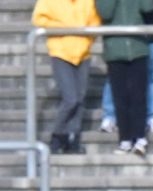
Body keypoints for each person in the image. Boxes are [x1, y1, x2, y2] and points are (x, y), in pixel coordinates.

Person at [34, 0, 98, 155]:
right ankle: (58, 136)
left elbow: (95, 21)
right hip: (60, 53)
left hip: (83, 53)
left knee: (80, 99)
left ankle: (73, 138)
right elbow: (39, 19)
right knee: (71, 99)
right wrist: (63, 28)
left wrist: (87, 39)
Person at [97, 0, 153, 155]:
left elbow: (148, 7)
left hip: (138, 48)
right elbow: (105, 12)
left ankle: (140, 137)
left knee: (139, 96)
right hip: (115, 49)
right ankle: (124, 139)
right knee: (120, 97)